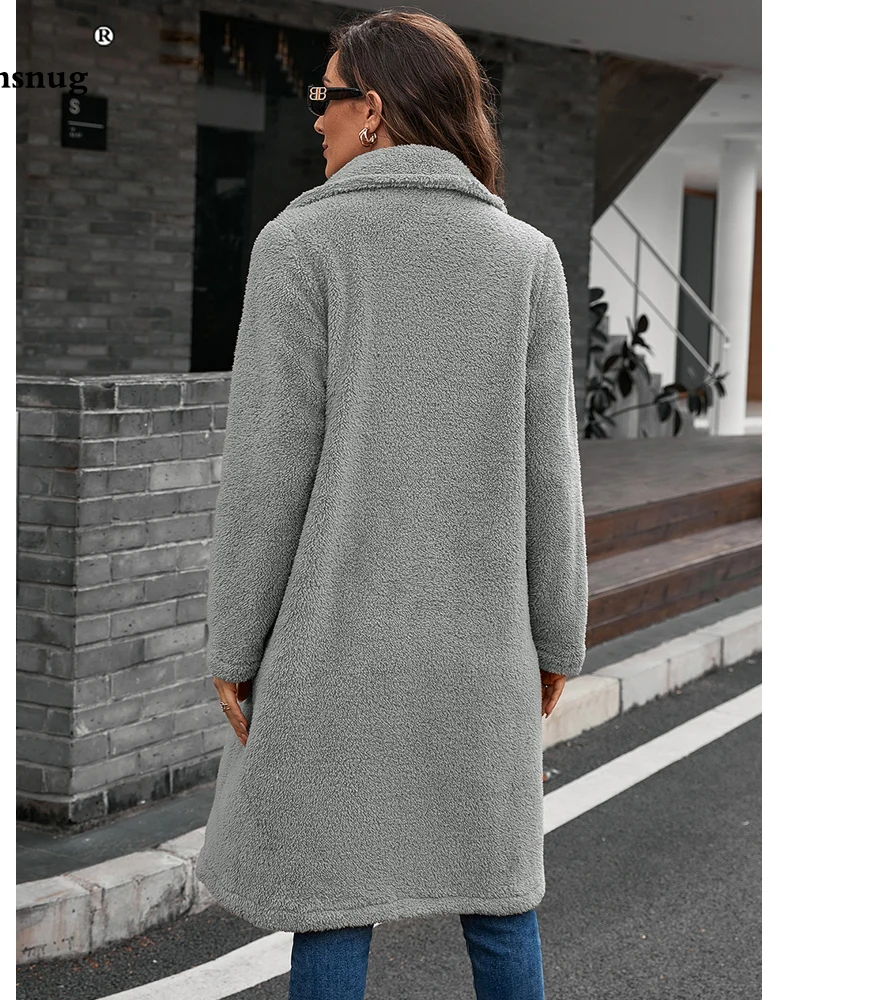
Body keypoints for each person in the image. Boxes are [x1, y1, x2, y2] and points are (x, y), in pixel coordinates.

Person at [194, 8, 589, 999]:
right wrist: (557, 636)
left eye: (325, 97)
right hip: (479, 649)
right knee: (499, 901)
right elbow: (552, 474)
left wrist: (233, 644)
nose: (314, 118)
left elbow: (266, 474)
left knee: (332, 904)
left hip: (334, 650)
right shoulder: (526, 258)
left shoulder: (300, 244)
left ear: (372, 110)